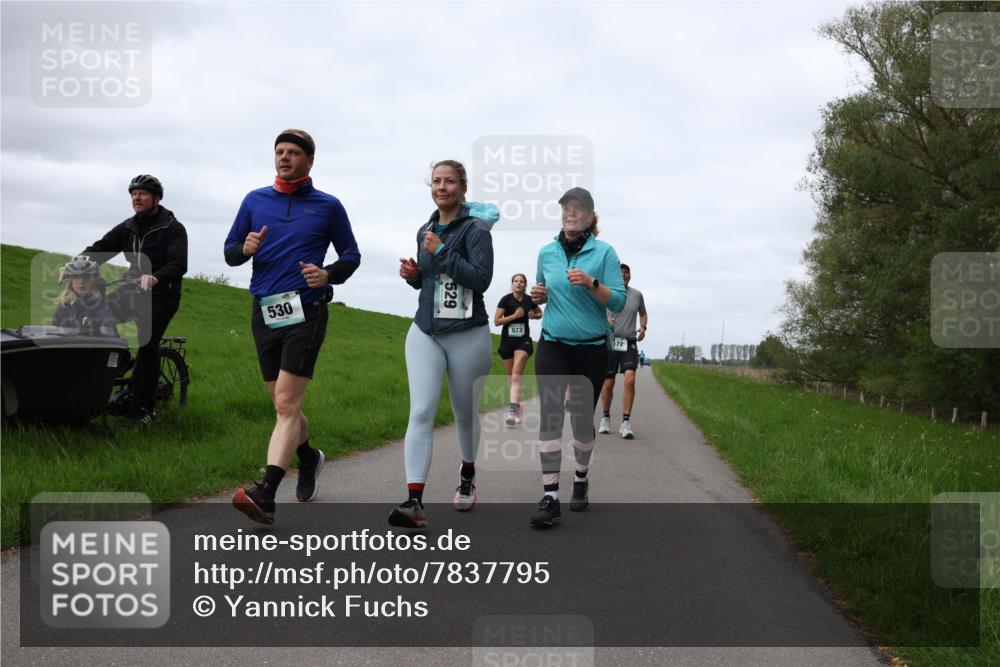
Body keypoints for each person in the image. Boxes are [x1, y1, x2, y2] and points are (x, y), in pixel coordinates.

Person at [225, 129, 361, 525]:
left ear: (309, 160)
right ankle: (308, 457)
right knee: (284, 404)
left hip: (307, 309)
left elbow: (351, 255)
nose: (284, 157)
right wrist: (245, 249)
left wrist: (328, 274)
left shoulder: (327, 206)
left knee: (286, 403)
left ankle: (266, 493)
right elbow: (230, 252)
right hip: (265, 310)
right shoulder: (254, 200)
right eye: (279, 152)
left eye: (293, 153)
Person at [391, 160, 496, 528]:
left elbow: (480, 279)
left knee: (464, 413)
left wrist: (441, 252)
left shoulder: (476, 229)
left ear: (463, 187)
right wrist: (414, 275)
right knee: (421, 411)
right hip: (426, 331)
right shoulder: (425, 229)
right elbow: (430, 282)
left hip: (467, 333)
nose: (441, 187)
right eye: (436, 181)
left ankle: (467, 473)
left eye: (449, 181)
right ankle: (414, 501)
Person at [528, 187, 626, 527]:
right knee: (551, 416)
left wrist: (591, 282)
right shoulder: (547, 252)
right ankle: (550, 496)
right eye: (566, 207)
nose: (571, 213)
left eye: (578, 208)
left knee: (582, 422)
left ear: (590, 216)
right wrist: (538, 295)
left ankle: (581, 478)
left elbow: (618, 301)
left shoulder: (604, 252)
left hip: (591, 349)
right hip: (553, 344)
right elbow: (542, 291)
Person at [81, 174, 188, 423]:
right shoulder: (128, 227)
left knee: (147, 343)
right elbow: (100, 248)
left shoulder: (173, 228)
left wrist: (156, 277)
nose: (137, 198)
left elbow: (178, 264)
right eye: (133, 194)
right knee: (95, 313)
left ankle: (144, 409)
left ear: (156, 199)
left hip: (162, 294)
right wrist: (76, 264)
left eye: (143, 193)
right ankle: (123, 358)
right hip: (132, 290)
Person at [599, 263, 647, 439]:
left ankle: (626, 422)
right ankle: (605, 417)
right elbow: (594, 311)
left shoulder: (637, 295)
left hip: (629, 342)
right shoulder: (606, 292)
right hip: (610, 342)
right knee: (608, 383)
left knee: (630, 379)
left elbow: (643, 313)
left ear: (630, 275)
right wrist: (604, 319)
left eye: (626, 273)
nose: (623, 276)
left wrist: (643, 327)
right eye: (620, 273)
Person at [494, 273, 542, 426]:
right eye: (516, 281)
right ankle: (518, 408)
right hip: (507, 342)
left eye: (521, 281)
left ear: (525, 285)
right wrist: (515, 316)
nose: (518, 283)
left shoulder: (530, 300)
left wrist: (534, 316)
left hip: (523, 342)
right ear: (512, 284)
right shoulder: (505, 300)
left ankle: (512, 413)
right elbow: (497, 321)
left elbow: (539, 313)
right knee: (512, 378)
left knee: (515, 375)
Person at [52, 255, 118, 336]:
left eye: (86, 277)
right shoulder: (65, 305)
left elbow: (110, 336)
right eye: (76, 277)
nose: (81, 282)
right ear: (70, 281)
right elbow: (54, 333)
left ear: (93, 281)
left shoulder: (100, 306)